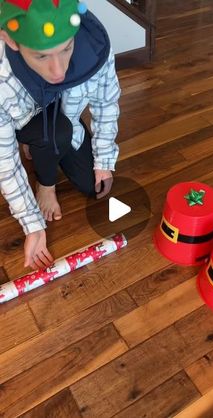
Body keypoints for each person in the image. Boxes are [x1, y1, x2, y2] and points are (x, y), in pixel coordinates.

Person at [0, 0, 120, 270]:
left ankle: (46, 143)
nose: (59, 71)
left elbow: (106, 102)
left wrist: (103, 160)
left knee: (93, 185)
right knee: (56, 132)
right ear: (9, 40)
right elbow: (4, 160)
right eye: (41, 56)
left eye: (66, 49)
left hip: (63, 120)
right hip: (30, 120)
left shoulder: (94, 48)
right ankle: (45, 180)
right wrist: (32, 225)